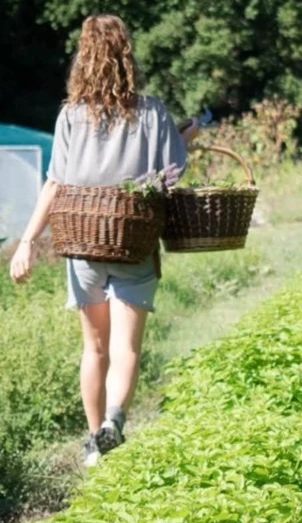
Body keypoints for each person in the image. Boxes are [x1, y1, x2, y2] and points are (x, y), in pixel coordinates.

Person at [8, 14, 200, 467]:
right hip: (132, 242)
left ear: (84, 58)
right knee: (126, 347)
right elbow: (170, 175)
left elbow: (55, 184)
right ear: (127, 55)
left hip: (83, 244)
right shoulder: (153, 112)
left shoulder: (71, 115)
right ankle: (115, 420)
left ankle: (95, 442)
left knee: (94, 347)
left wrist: (26, 242)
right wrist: (186, 138)